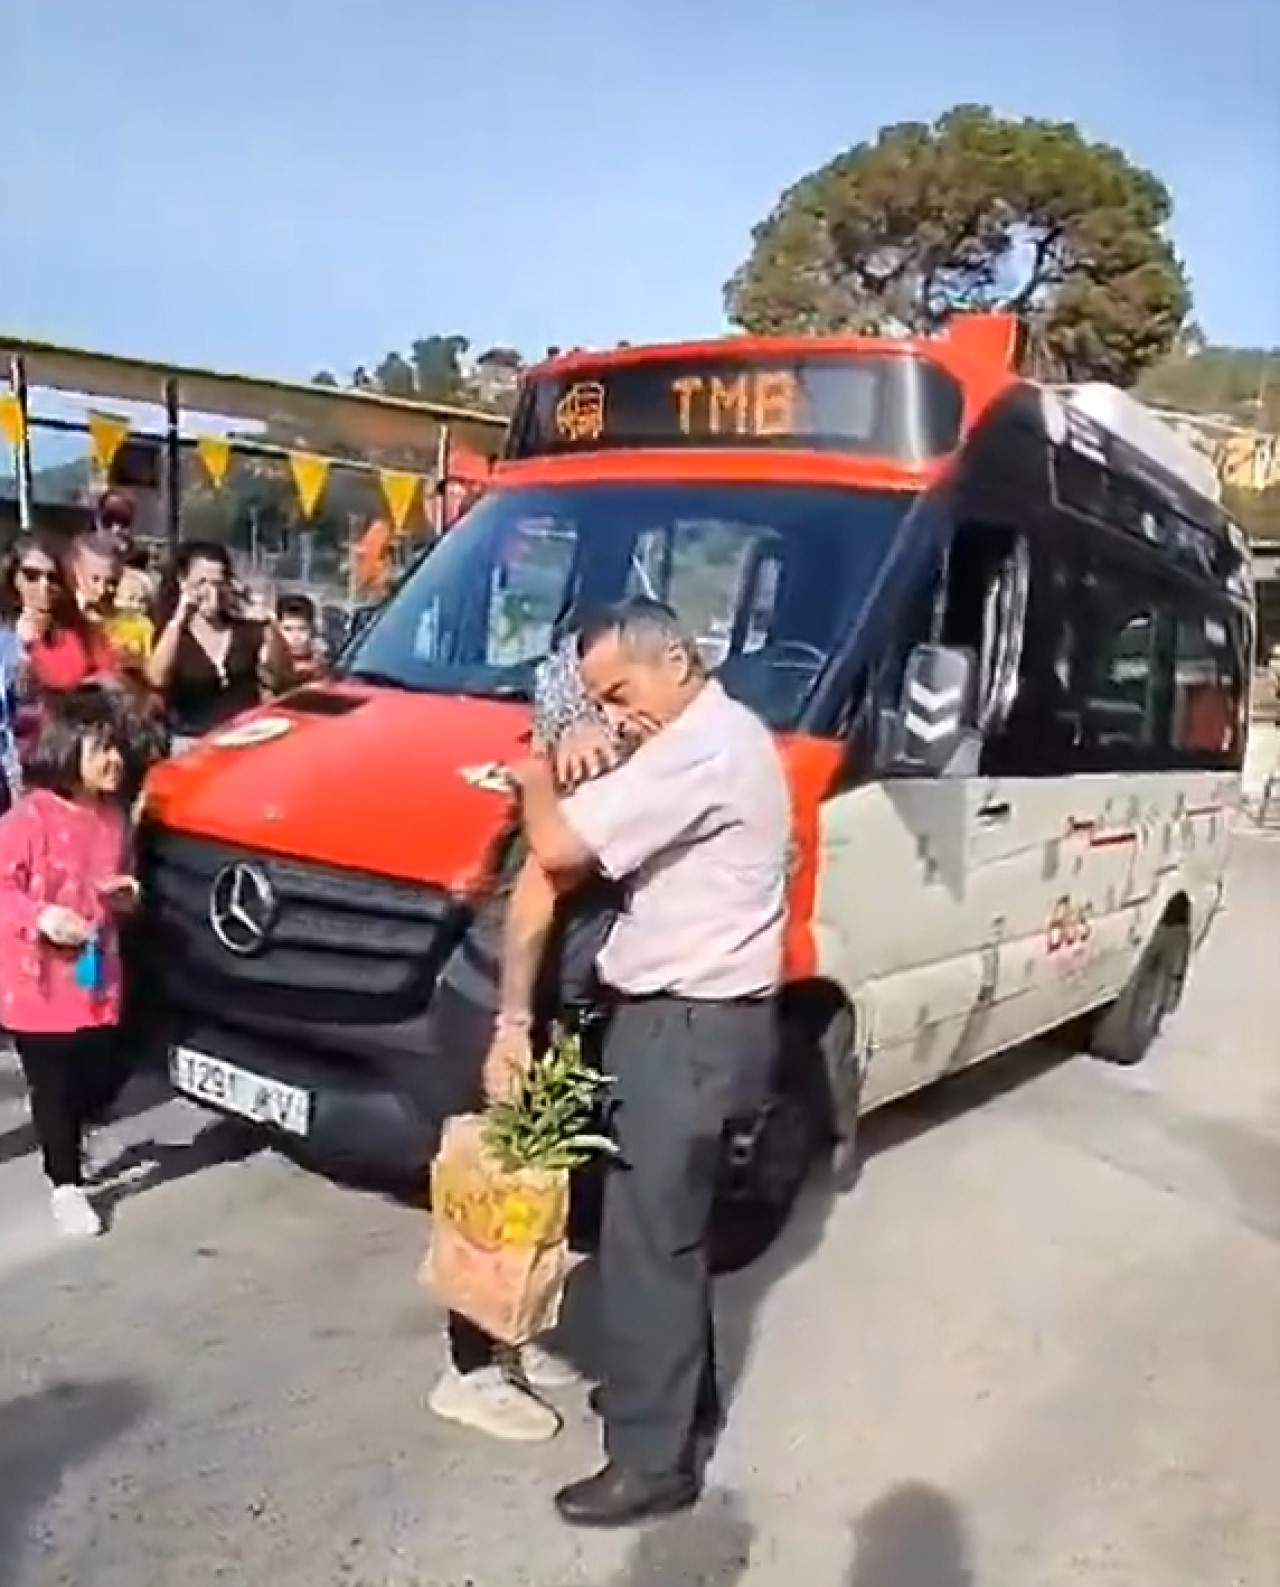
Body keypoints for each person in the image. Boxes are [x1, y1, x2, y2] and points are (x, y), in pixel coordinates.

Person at [495, 599, 791, 1527]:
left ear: (680, 662)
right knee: (670, 1232)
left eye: (620, 692)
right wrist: (576, 717)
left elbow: (556, 845)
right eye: (600, 698)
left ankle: (651, 1461)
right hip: (694, 1021)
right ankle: (672, 1400)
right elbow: (560, 691)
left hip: (688, 1026)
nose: (614, 712)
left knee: (648, 1243)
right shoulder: (702, 732)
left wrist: (532, 774)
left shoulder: (702, 750)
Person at [428, 634, 622, 1442]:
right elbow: (541, 891)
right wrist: (513, 1027)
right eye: (609, 695)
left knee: (535, 1189)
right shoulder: (582, 764)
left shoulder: (600, 747)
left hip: (558, 1008)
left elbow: (556, 677)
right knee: (489, 1196)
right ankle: (467, 1369)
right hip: (508, 1003)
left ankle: (509, 1335)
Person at [0, 687, 140, 1239]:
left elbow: (113, 886)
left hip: (96, 974)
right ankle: (67, 1184)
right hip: (35, 984)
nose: (114, 761)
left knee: (101, 1073)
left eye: (117, 749)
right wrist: (40, 916)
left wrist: (124, 899)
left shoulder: (113, 819)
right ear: (67, 749)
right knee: (53, 1086)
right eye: (101, 749)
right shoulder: (28, 818)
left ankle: (75, 1136)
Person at [146, 541, 291, 746]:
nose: (211, 593)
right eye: (201, 583)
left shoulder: (245, 630)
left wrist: (269, 624)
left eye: (217, 583)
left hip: (244, 737)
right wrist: (180, 617)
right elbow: (156, 679)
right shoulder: (174, 634)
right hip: (191, 740)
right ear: (183, 582)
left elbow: (280, 674)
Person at [276, 593, 329, 685]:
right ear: (277, 629)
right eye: (287, 629)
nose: (295, 637)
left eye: (302, 629)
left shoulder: (321, 665)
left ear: (312, 629)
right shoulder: (269, 664)